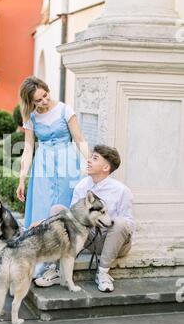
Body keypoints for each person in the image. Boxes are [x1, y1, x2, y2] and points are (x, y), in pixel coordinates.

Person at [34, 145, 135, 292]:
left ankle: (103, 273)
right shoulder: (82, 185)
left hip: (113, 241)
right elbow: (70, 219)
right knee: (57, 210)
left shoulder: (121, 190)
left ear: (106, 167)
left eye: (95, 158)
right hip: (89, 237)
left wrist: (106, 222)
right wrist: (43, 223)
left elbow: (129, 224)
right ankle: (55, 270)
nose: (89, 161)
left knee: (120, 223)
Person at [16, 76, 90, 278]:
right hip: (43, 166)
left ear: (47, 91)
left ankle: (63, 259)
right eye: (38, 100)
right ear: (30, 102)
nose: (44, 102)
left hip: (67, 164)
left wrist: (89, 162)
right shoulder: (30, 117)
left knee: (65, 209)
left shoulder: (65, 110)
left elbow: (79, 139)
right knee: (42, 209)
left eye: (45, 96)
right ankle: (43, 261)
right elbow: (28, 148)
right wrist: (22, 179)